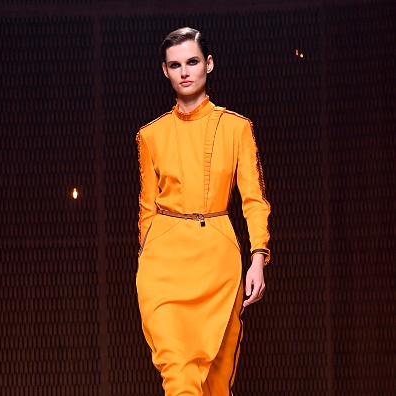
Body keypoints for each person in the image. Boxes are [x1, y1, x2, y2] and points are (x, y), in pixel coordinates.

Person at [136, 27, 271, 396]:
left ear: (208, 64)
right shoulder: (151, 135)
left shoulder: (236, 128)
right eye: (175, 64)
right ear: (165, 71)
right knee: (178, 374)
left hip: (216, 260)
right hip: (163, 263)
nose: (185, 71)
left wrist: (258, 257)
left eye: (192, 62)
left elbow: (254, 199)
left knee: (215, 381)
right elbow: (147, 207)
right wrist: (145, 254)